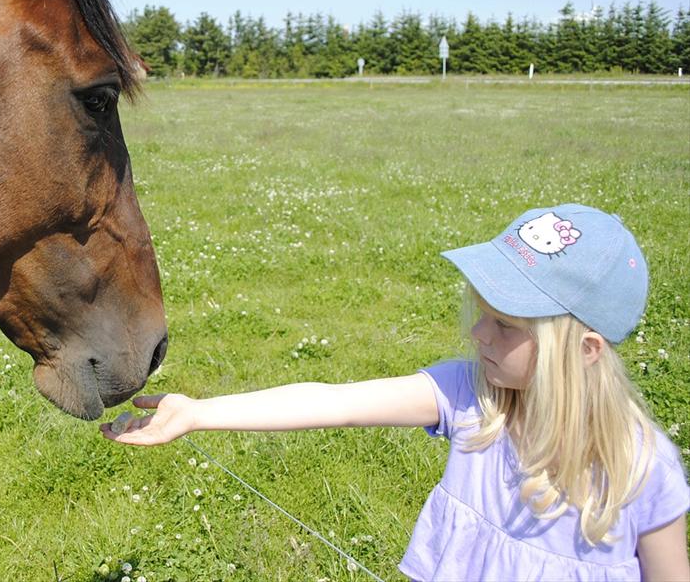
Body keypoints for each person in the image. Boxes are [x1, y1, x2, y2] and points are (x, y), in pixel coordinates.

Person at [101, 204, 690, 581]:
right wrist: (198, 412)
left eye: (505, 325)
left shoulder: (642, 469)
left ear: (584, 351)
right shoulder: (471, 398)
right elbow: (333, 400)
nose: (477, 333)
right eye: (481, 314)